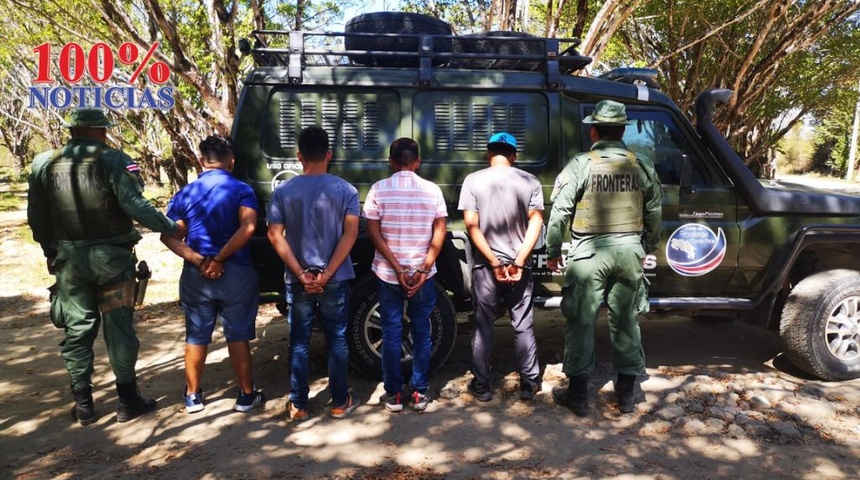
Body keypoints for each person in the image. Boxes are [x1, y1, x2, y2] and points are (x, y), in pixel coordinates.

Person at [27, 108, 182, 425]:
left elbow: (37, 216)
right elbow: (134, 204)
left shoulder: (43, 163)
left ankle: (83, 404)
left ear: (71, 131)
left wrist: (49, 250)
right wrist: (170, 226)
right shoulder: (114, 160)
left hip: (69, 262)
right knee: (119, 330)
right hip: (112, 260)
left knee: (77, 330)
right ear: (101, 130)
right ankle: (127, 401)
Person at [546, 99, 663, 416]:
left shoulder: (582, 164)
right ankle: (626, 396)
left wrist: (553, 250)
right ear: (623, 130)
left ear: (593, 130)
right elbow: (654, 212)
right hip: (629, 254)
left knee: (581, 323)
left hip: (589, 255)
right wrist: (648, 247)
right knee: (626, 322)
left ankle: (579, 397)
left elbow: (560, 213)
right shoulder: (641, 164)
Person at [161, 135, 265, 414]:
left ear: (200, 160)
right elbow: (249, 228)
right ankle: (245, 394)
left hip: (197, 277)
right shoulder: (242, 190)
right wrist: (218, 259)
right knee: (238, 334)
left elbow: (170, 235)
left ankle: (193, 396)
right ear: (232, 161)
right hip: (237, 273)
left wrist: (200, 261)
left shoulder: (185, 194)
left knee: (196, 336)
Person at [266, 126, 360, 421]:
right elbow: (351, 233)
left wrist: (301, 272)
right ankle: (339, 402)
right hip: (336, 278)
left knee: (299, 341)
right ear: (329, 155)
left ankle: (299, 405)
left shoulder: (283, 192)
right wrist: (329, 272)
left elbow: (274, 235)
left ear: (298, 156)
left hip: (298, 280)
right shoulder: (347, 190)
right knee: (337, 339)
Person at [457, 132, 544, 402]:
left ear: (488, 154)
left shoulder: (473, 181)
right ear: (514, 156)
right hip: (520, 266)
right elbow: (536, 222)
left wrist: (494, 262)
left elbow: (472, 225)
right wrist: (518, 261)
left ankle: (481, 384)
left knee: (484, 325)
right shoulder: (530, 181)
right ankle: (529, 384)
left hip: (486, 266)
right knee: (523, 324)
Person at [363, 137, 448, 413]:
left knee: (391, 332)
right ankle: (419, 393)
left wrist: (397, 268)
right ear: (418, 162)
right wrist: (424, 268)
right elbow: (440, 231)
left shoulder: (378, 189)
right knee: (422, 333)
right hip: (422, 275)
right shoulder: (432, 190)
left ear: (391, 161)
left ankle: (394, 395)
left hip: (389, 274)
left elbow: (373, 232)